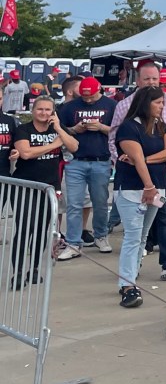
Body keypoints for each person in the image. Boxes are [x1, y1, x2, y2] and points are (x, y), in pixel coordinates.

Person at [110, 61, 166, 281]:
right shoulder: (125, 110)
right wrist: (121, 160)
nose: (152, 83)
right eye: (147, 79)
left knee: (165, 218)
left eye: (155, 79)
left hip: (161, 173)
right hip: (132, 182)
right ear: (137, 81)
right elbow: (115, 137)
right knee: (135, 235)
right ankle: (128, 279)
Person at [113, 86, 166, 307]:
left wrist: (148, 161)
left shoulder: (161, 126)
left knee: (142, 235)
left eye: (162, 103)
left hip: (157, 188)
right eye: (158, 102)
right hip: (133, 189)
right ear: (146, 102)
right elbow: (135, 157)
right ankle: (127, 284)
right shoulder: (128, 128)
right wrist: (148, 185)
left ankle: (131, 274)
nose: (161, 106)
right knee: (133, 235)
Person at [12, 95, 78, 288]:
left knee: (42, 231)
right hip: (26, 186)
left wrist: (58, 128)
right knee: (24, 231)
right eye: (40, 109)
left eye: (48, 110)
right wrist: (53, 145)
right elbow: (26, 153)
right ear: (33, 111)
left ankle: (33, 269)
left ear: (53, 112)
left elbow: (74, 146)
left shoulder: (56, 128)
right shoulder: (23, 129)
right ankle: (17, 273)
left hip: (50, 188)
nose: (44, 113)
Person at [57, 76, 117, 260]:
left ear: (99, 90)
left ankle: (101, 235)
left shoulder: (111, 105)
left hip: (101, 159)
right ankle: (74, 243)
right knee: (74, 203)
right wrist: (75, 129)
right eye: (85, 97)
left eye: (91, 97)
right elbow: (60, 129)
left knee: (100, 201)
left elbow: (118, 129)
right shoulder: (70, 107)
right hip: (75, 160)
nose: (88, 100)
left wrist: (101, 127)